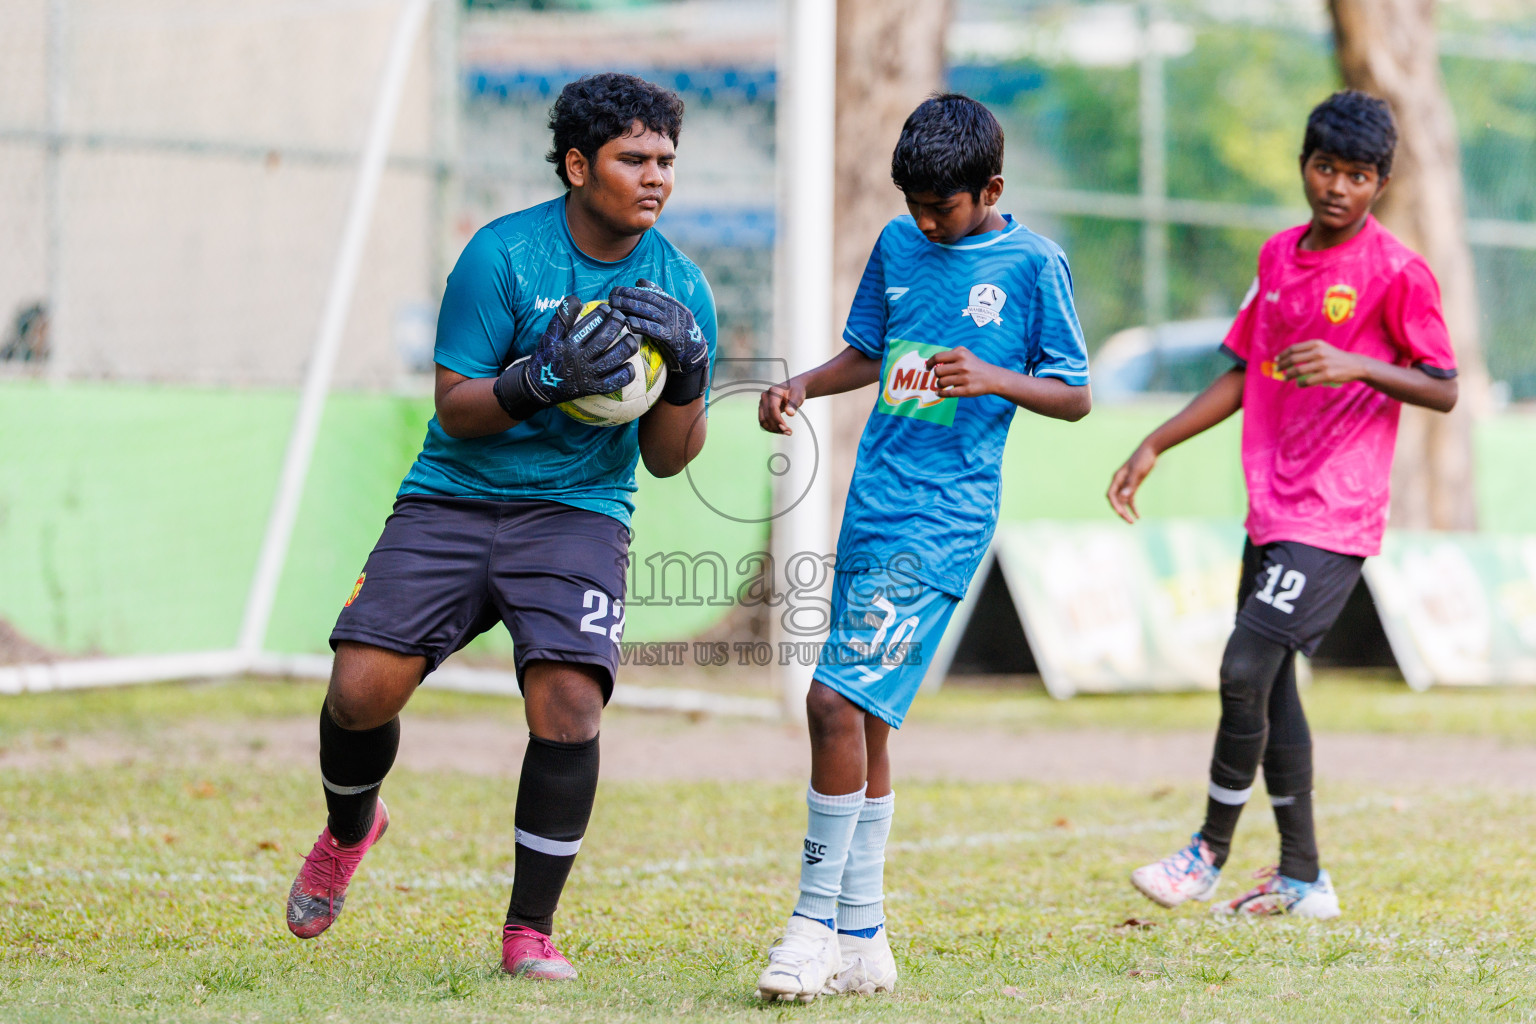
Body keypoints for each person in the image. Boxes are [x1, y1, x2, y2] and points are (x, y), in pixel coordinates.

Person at [283, 72, 716, 980]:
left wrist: (688, 374)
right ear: (575, 165)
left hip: (578, 514)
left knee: (569, 704)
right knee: (361, 690)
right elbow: (455, 410)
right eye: (631, 158)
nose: (654, 178)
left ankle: (530, 932)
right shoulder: (502, 255)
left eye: (665, 161)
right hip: (454, 495)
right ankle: (349, 829)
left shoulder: (680, 284)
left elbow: (670, 458)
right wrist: (542, 378)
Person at [754, 93, 1091, 1001]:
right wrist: (803, 387)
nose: (925, 222)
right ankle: (862, 939)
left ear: (991, 189)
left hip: (945, 518)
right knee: (865, 716)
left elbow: (1074, 393)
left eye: (941, 207)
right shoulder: (901, 247)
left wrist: (993, 377)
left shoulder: (1032, 264)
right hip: (873, 506)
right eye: (914, 205)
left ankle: (811, 926)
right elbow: (872, 350)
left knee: (829, 703)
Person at [1107, 90, 1458, 919]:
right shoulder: (1275, 259)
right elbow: (1240, 371)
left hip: (1335, 516)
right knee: (1272, 688)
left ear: (1382, 182)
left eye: (1360, 174)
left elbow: (1443, 386)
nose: (1339, 186)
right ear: (1304, 165)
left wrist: (1355, 365)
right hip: (1272, 506)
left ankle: (1207, 853)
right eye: (1326, 167)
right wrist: (1155, 441)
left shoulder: (1397, 273)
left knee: (1241, 669)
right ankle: (1304, 880)